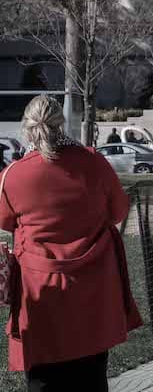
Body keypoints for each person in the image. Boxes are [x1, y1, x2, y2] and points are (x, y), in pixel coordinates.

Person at [0, 95, 141, 389]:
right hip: (92, 287)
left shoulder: (12, 175)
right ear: (61, 125)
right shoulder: (93, 162)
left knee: (43, 379)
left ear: (26, 129)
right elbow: (117, 211)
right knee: (91, 375)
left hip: (39, 290)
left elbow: (5, 220)